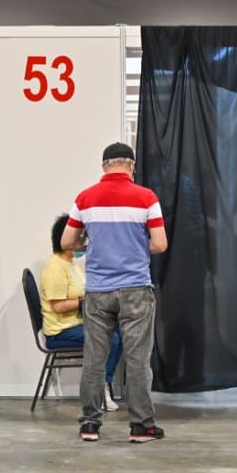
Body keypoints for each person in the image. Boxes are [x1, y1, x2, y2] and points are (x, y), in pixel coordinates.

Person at [61, 142, 168, 443]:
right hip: (135, 289)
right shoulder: (146, 197)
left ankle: (89, 425)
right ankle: (141, 426)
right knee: (137, 360)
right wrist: (133, 248)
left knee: (94, 359)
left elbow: (67, 241)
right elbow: (160, 244)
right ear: (131, 166)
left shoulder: (85, 198)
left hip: (97, 290)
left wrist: (94, 246)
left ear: (104, 166)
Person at [40, 214, 122, 411]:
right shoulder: (55, 268)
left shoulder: (71, 264)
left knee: (119, 332)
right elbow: (58, 307)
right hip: (60, 332)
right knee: (112, 339)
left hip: (75, 323)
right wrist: (85, 302)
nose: (83, 241)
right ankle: (102, 388)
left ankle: (102, 383)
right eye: (80, 237)